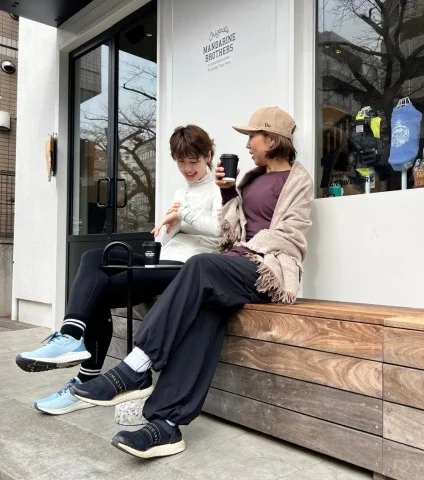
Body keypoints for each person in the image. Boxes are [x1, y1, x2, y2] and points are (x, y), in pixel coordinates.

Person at [69, 106, 313, 459]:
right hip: (235, 266)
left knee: (197, 266)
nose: (247, 144)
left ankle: (137, 366)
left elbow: (292, 236)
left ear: (273, 140)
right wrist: (229, 194)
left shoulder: (298, 181)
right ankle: (166, 426)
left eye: (252, 136)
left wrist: (248, 251)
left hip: (268, 270)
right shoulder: (251, 179)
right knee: (205, 314)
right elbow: (234, 231)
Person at [15, 125, 223, 416]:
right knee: (94, 259)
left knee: (101, 280)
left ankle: (81, 373)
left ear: (208, 155)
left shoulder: (219, 190)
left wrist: (182, 214)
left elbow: (222, 231)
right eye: (181, 161)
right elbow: (168, 240)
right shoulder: (181, 191)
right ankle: (73, 343)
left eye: (194, 161)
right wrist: (171, 228)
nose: (188, 168)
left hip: (188, 271)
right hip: (162, 262)